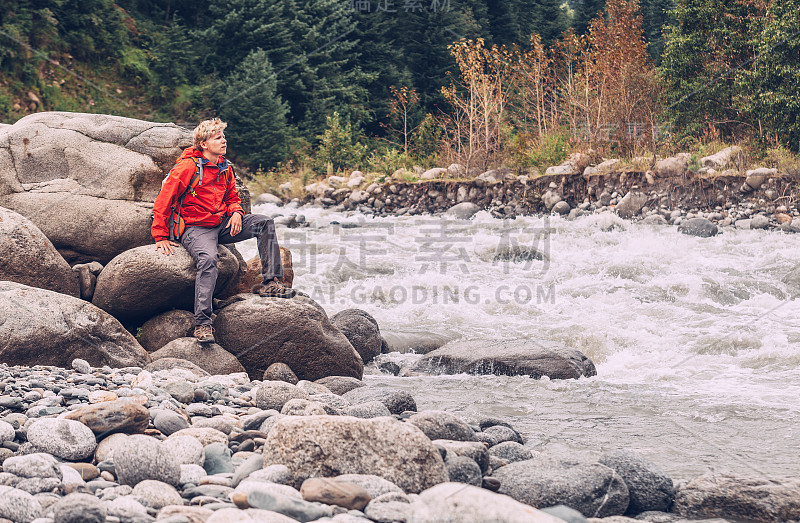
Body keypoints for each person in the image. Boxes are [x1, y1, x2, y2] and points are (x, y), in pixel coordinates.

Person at [152, 118, 294, 344]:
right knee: (208, 259)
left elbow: (232, 197)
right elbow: (163, 202)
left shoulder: (225, 166)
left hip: (222, 223)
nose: (224, 140)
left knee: (265, 223)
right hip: (195, 227)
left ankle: (270, 283)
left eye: (223, 136)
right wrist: (160, 236)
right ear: (204, 143)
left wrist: (237, 212)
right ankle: (202, 324)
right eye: (218, 137)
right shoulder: (187, 167)